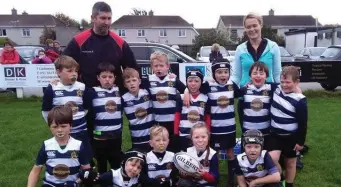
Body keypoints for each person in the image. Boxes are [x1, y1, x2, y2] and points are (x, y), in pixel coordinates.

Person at [184, 61, 241, 187]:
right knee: (216, 154)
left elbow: (241, 93)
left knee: (230, 153)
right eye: (219, 72)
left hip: (230, 128)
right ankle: (215, 177)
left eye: (226, 72)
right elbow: (194, 85)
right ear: (214, 74)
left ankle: (231, 180)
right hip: (215, 128)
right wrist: (186, 91)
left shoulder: (232, 85)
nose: (223, 75)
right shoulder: (208, 85)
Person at [62, 1, 139, 89]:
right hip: (87, 93)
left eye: (109, 18)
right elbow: (63, 64)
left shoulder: (120, 42)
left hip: (113, 95)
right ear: (93, 18)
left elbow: (133, 69)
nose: (107, 22)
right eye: (103, 18)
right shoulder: (78, 40)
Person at [232, 12, 282, 130]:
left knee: (268, 133)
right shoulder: (240, 49)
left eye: (255, 25)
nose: (252, 29)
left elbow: (277, 74)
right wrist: (224, 87)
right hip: (245, 97)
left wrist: (287, 90)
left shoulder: (273, 46)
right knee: (248, 134)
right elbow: (236, 76)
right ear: (245, 29)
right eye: (248, 27)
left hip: (268, 96)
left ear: (261, 25)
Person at [27, 106, 95, 187]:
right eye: (55, 126)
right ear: (50, 127)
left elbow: (87, 172)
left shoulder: (78, 145)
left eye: (63, 126)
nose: (59, 130)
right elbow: (35, 171)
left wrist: (77, 182)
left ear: (70, 126)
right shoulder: (47, 145)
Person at [41, 55, 92, 161]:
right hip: (63, 132)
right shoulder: (52, 88)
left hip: (81, 130)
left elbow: (86, 108)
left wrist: (78, 118)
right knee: (67, 157)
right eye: (69, 71)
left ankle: (85, 174)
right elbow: (46, 111)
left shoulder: (82, 87)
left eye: (76, 71)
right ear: (58, 72)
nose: (74, 74)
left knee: (84, 157)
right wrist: (54, 125)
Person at [268, 66, 308, 187]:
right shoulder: (276, 89)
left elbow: (303, 123)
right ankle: (280, 176)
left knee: (290, 163)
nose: (284, 85)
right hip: (275, 134)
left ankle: (289, 184)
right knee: (271, 159)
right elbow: (260, 81)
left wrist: (300, 142)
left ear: (296, 82)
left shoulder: (300, 100)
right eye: (282, 81)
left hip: (291, 137)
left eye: (288, 82)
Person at [142, 51, 186, 152]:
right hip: (157, 121)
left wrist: (187, 92)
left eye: (161, 65)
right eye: (156, 66)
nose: (158, 68)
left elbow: (186, 89)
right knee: (159, 146)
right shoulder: (149, 80)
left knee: (173, 146)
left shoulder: (173, 80)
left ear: (167, 66)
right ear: (152, 67)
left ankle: (174, 165)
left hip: (172, 120)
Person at [85, 62, 123, 174]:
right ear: (98, 78)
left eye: (110, 77)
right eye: (104, 77)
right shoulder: (92, 92)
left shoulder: (119, 91)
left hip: (116, 135)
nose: (107, 80)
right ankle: (103, 180)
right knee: (101, 162)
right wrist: (57, 82)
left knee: (116, 162)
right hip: (99, 136)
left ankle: (116, 181)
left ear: (115, 78)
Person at [240, 61, 278, 151]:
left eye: (261, 73)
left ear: (267, 76)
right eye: (255, 73)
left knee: (265, 157)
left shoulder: (271, 88)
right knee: (248, 156)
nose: (258, 76)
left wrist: (297, 89)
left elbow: (286, 85)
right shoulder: (244, 89)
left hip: (265, 131)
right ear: (250, 76)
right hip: (248, 131)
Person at [174, 69, 210, 151]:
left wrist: (207, 133)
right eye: (190, 81)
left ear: (201, 82)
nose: (193, 84)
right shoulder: (181, 97)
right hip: (184, 134)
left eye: (196, 81)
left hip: (199, 136)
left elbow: (207, 118)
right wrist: (176, 133)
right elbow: (177, 115)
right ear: (186, 82)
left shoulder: (205, 98)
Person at [122, 68, 154, 152]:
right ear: (125, 85)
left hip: (152, 136)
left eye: (134, 80)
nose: (132, 83)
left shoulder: (148, 93)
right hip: (136, 138)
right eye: (128, 81)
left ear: (139, 81)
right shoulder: (123, 99)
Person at [178, 123, 219, 187]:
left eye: (203, 137)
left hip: (207, 184)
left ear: (208, 137)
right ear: (191, 138)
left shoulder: (212, 154)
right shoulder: (187, 152)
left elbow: (215, 178)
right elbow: (184, 176)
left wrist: (204, 175)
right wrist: (183, 174)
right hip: (192, 183)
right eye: (196, 137)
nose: (200, 140)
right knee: (182, 183)